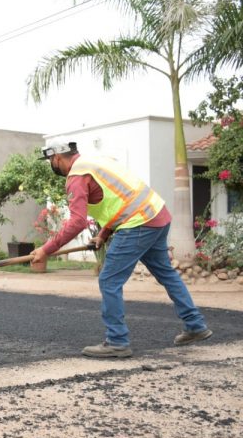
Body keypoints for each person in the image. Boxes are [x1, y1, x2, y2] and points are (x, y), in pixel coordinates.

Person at [30, 141, 212, 358]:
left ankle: (117, 341)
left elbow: (77, 222)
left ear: (57, 158)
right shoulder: (96, 162)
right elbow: (122, 199)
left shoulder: (77, 176)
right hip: (157, 215)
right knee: (167, 274)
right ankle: (195, 325)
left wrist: (46, 249)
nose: (53, 165)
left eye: (51, 161)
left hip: (138, 223)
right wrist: (103, 233)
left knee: (109, 280)